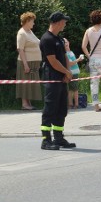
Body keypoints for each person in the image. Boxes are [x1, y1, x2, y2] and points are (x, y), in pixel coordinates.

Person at [39, 12, 75, 150]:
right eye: (64, 21)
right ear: (57, 22)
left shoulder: (59, 39)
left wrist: (68, 72)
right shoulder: (46, 39)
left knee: (61, 109)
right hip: (52, 78)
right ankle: (46, 140)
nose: (65, 24)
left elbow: (64, 56)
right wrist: (66, 72)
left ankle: (58, 138)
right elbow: (52, 61)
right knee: (50, 109)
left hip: (62, 78)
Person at [16, 11, 42, 110]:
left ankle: (28, 103)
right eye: (32, 21)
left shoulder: (30, 32)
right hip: (26, 62)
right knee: (25, 82)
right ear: (27, 21)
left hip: (33, 62)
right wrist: (25, 64)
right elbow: (20, 49)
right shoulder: (21, 33)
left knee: (30, 83)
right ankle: (24, 104)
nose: (34, 23)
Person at [64, 39, 84, 109]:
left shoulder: (71, 52)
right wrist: (78, 59)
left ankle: (71, 104)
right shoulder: (65, 53)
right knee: (74, 90)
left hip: (75, 72)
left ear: (69, 42)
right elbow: (70, 63)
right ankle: (75, 104)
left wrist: (78, 59)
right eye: (64, 43)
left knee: (72, 89)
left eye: (66, 42)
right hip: (72, 73)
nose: (65, 43)